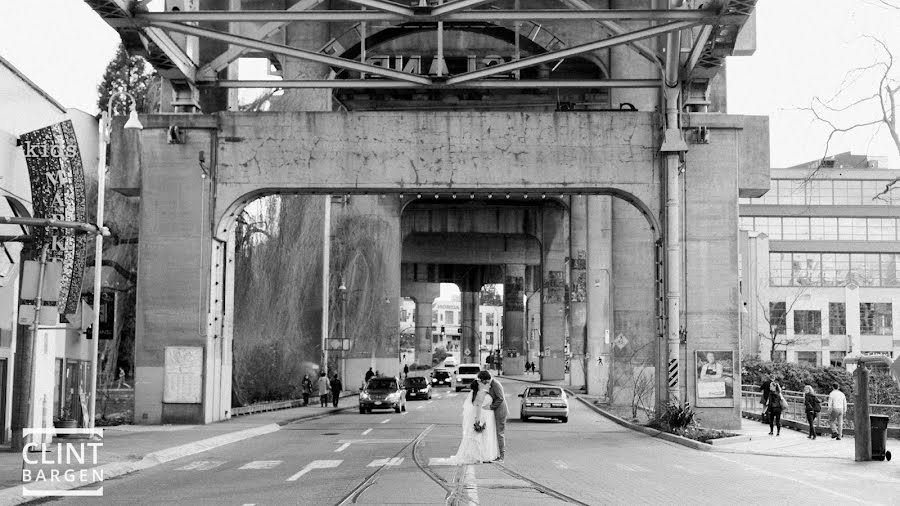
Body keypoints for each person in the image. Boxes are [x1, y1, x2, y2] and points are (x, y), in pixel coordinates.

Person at [431, 379, 499, 465]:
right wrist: (478, 421)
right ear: (478, 385)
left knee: (482, 437)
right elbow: (478, 407)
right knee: (482, 437)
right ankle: (482, 456)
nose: (482, 383)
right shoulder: (480, 393)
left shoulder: (479, 393)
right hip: (483, 416)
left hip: (486, 416)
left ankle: (482, 455)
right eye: (480, 383)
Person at [478, 370, 507, 462]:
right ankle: (496, 455)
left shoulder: (495, 384)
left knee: (500, 434)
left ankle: (501, 456)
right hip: (495, 411)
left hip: (500, 412)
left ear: (485, 379)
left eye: (481, 380)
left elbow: (500, 398)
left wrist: (490, 406)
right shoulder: (490, 384)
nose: (481, 381)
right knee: (496, 433)